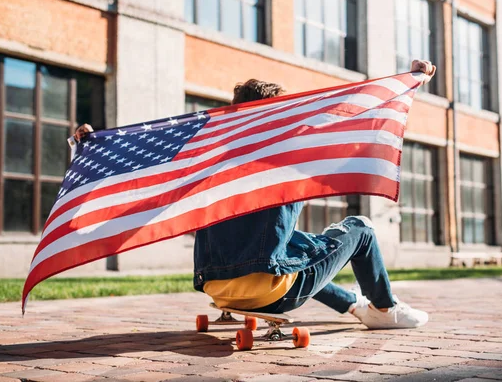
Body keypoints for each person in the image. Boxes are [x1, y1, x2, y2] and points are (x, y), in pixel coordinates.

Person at [73, 60, 436, 329]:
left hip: (216, 288)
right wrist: (409, 79)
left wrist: (92, 145)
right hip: (272, 293)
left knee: (296, 246)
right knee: (360, 228)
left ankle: (354, 306)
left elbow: (147, 175)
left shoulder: (208, 165)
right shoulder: (288, 156)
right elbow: (353, 117)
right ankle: (386, 310)